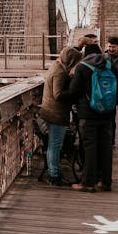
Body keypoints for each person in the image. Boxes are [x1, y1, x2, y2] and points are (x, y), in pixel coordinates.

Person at [64, 47, 116, 192]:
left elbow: (74, 91)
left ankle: (87, 182)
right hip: (107, 113)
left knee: (89, 148)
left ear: (84, 54)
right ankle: (106, 181)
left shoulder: (82, 67)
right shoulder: (110, 65)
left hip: (88, 114)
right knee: (106, 148)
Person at [40, 46, 83, 186]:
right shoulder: (60, 72)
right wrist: (73, 94)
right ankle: (54, 176)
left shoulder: (57, 66)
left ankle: (54, 172)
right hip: (56, 113)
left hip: (50, 111)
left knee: (53, 145)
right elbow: (58, 94)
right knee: (55, 145)